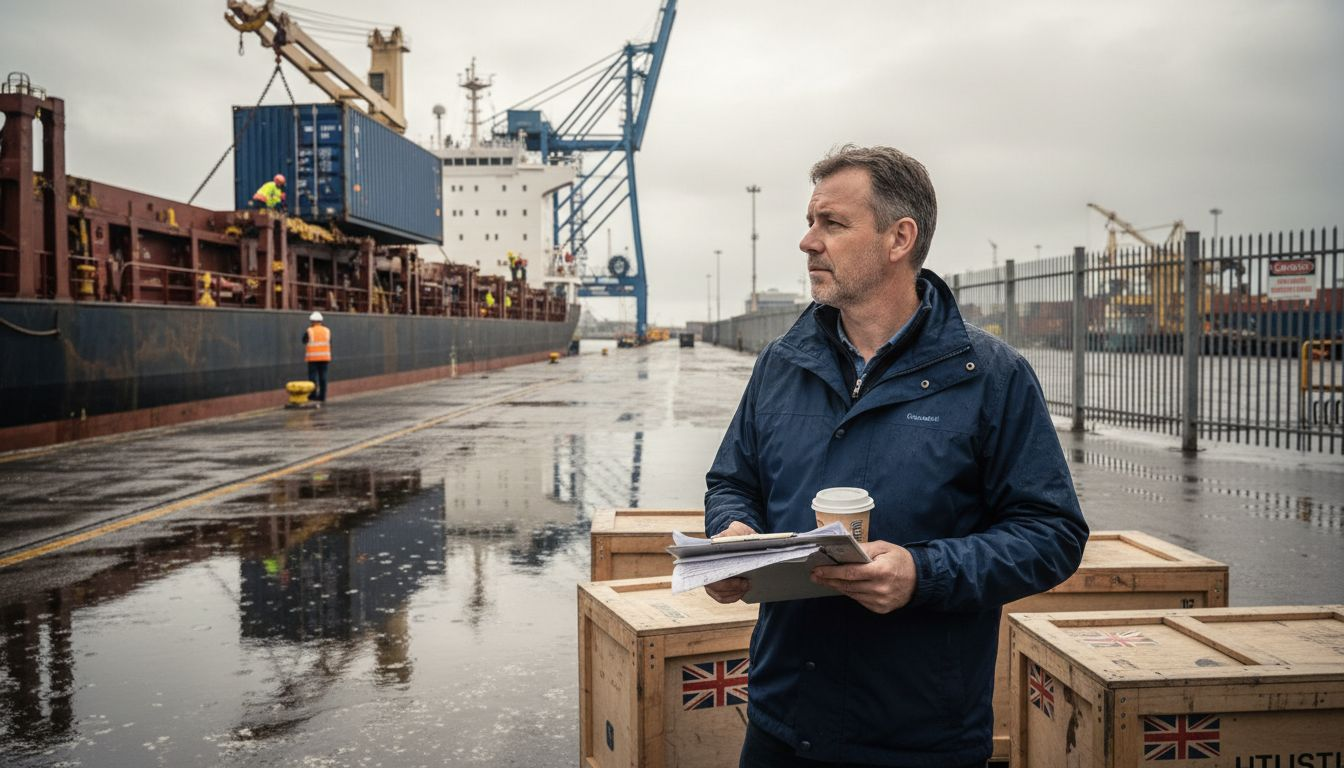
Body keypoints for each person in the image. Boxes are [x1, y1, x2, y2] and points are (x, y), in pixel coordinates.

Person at [703, 145, 1088, 768]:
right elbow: (731, 481)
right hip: (782, 724)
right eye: (809, 221)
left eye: (832, 224)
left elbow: (1052, 534)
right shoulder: (781, 364)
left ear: (898, 238)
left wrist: (922, 573)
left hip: (919, 739)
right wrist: (733, 534)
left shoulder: (989, 376)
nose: (808, 241)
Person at [302, 311, 331, 405]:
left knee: (313, 377)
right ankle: (322, 396)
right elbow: (329, 342)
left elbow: (304, 340)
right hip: (325, 357)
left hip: (313, 358)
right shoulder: (327, 330)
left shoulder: (309, 331)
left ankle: (313, 394)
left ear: (312, 321)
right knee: (323, 377)